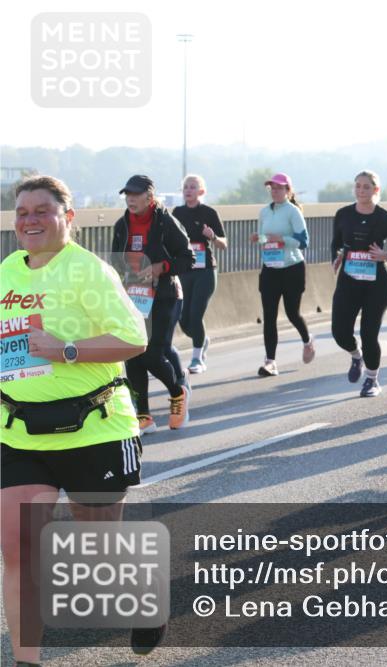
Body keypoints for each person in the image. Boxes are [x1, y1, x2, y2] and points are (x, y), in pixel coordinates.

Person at [1, 176, 161, 665]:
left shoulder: (87, 271)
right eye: (22, 211)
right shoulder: (8, 269)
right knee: (18, 549)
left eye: (42, 210)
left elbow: (134, 339)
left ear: (67, 217)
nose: (30, 220)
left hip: (93, 427)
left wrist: (65, 350)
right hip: (20, 431)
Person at [112, 175, 193, 433]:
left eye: (135, 195)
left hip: (165, 295)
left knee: (152, 353)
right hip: (135, 297)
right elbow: (115, 261)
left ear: (150, 197)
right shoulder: (121, 225)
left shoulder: (166, 222)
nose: (130, 199)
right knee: (133, 355)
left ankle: (177, 392)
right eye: (127, 194)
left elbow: (188, 258)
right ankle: (144, 416)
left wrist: (161, 267)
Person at [331, 171, 387, 397]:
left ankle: (372, 379)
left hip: (377, 283)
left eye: (367, 187)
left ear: (376, 190)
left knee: (369, 333)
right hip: (349, 279)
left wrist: (386, 255)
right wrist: (336, 255)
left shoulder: (384, 218)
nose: (361, 190)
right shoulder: (343, 214)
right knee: (339, 332)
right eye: (358, 186)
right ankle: (356, 356)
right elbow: (336, 243)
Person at [250, 173, 315, 377]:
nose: (275, 191)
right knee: (269, 316)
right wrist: (258, 238)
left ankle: (307, 340)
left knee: (292, 313)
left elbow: (303, 241)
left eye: (279, 188)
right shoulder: (264, 212)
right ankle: (270, 362)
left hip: (292, 268)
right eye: (272, 188)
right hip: (270, 267)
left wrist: (283, 238)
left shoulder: (293, 211)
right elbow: (265, 238)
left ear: (288, 190)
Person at [172, 174, 226, 374]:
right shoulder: (177, 213)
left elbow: (223, 244)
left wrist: (212, 237)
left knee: (196, 314)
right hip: (185, 271)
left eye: (193, 187)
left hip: (205, 271)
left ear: (201, 191)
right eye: (185, 187)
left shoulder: (209, 213)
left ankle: (196, 359)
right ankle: (201, 340)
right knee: (183, 319)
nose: (188, 190)